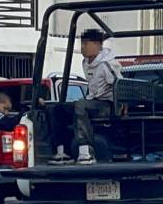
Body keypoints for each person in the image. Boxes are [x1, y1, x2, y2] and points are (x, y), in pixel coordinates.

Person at [48, 29, 122, 165]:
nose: (82, 48)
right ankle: (62, 152)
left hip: (108, 105)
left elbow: (120, 85)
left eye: (86, 44)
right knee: (58, 108)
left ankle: (85, 151)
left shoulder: (107, 64)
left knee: (81, 105)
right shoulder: (85, 63)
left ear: (97, 45)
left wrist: (123, 105)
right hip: (92, 102)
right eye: (82, 44)